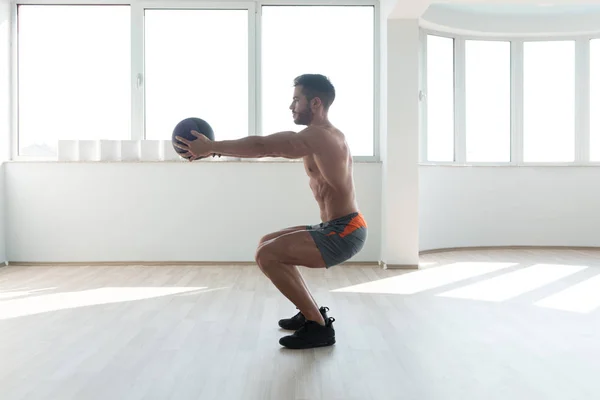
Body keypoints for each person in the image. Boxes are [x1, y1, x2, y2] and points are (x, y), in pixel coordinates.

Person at [174, 74, 367, 349]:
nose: (291, 106)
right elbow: (262, 145)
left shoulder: (320, 137)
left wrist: (212, 146)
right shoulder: (321, 136)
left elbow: (263, 146)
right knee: (267, 243)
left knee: (267, 255)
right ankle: (311, 311)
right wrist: (214, 150)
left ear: (315, 103)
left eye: (296, 100)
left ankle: (319, 328)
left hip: (345, 232)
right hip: (336, 226)